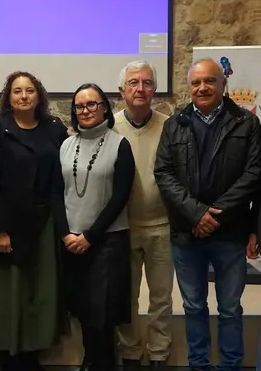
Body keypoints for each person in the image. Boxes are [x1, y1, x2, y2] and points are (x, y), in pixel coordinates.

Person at [154, 58, 261, 371]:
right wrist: (197, 214)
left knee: (230, 308)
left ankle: (230, 366)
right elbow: (163, 173)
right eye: (196, 82)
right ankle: (198, 365)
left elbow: (254, 173)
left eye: (210, 81)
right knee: (193, 306)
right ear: (190, 87)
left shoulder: (247, 123)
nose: (202, 88)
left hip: (230, 233)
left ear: (223, 83)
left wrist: (214, 216)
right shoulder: (175, 124)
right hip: (187, 234)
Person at [0, 71, 68, 371]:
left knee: (39, 293)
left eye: (30, 90)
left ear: (39, 95)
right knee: (10, 296)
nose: (24, 96)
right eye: (17, 91)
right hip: (9, 226)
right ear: (9, 96)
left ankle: (32, 357)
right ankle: (10, 360)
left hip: (44, 224)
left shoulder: (54, 129)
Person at [60, 83, 135, 370]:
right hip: (71, 241)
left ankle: (102, 364)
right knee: (81, 309)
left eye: (92, 104)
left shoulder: (120, 145)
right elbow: (56, 192)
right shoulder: (66, 145)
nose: (86, 110)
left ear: (104, 107)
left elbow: (120, 197)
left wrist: (90, 236)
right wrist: (66, 233)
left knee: (102, 313)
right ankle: (89, 361)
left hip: (106, 242)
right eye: (79, 106)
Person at [112, 60, 173, 371]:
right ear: (122, 90)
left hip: (162, 226)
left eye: (147, 83)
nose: (140, 88)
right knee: (126, 297)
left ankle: (159, 353)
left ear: (155, 89)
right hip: (123, 226)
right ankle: (131, 354)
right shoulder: (109, 127)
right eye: (133, 83)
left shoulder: (170, 126)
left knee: (161, 298)